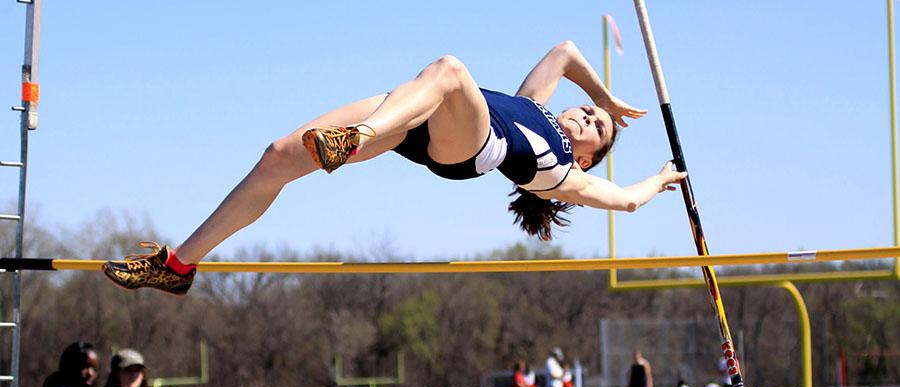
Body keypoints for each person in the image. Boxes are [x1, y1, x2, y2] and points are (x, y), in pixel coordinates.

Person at [100, 40, 687, 295]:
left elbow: (626, 202)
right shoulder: (535, 104)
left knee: (451, 69)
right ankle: (177, 266)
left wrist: (659, 180)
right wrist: (608, 97)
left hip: (459, 146)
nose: (588, 116)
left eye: (597, 128)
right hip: (415, 116)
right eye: (586, 110)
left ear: (587, 156)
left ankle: (355, 139)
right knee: (278, 156)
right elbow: (564, 50)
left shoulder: (561, 170)